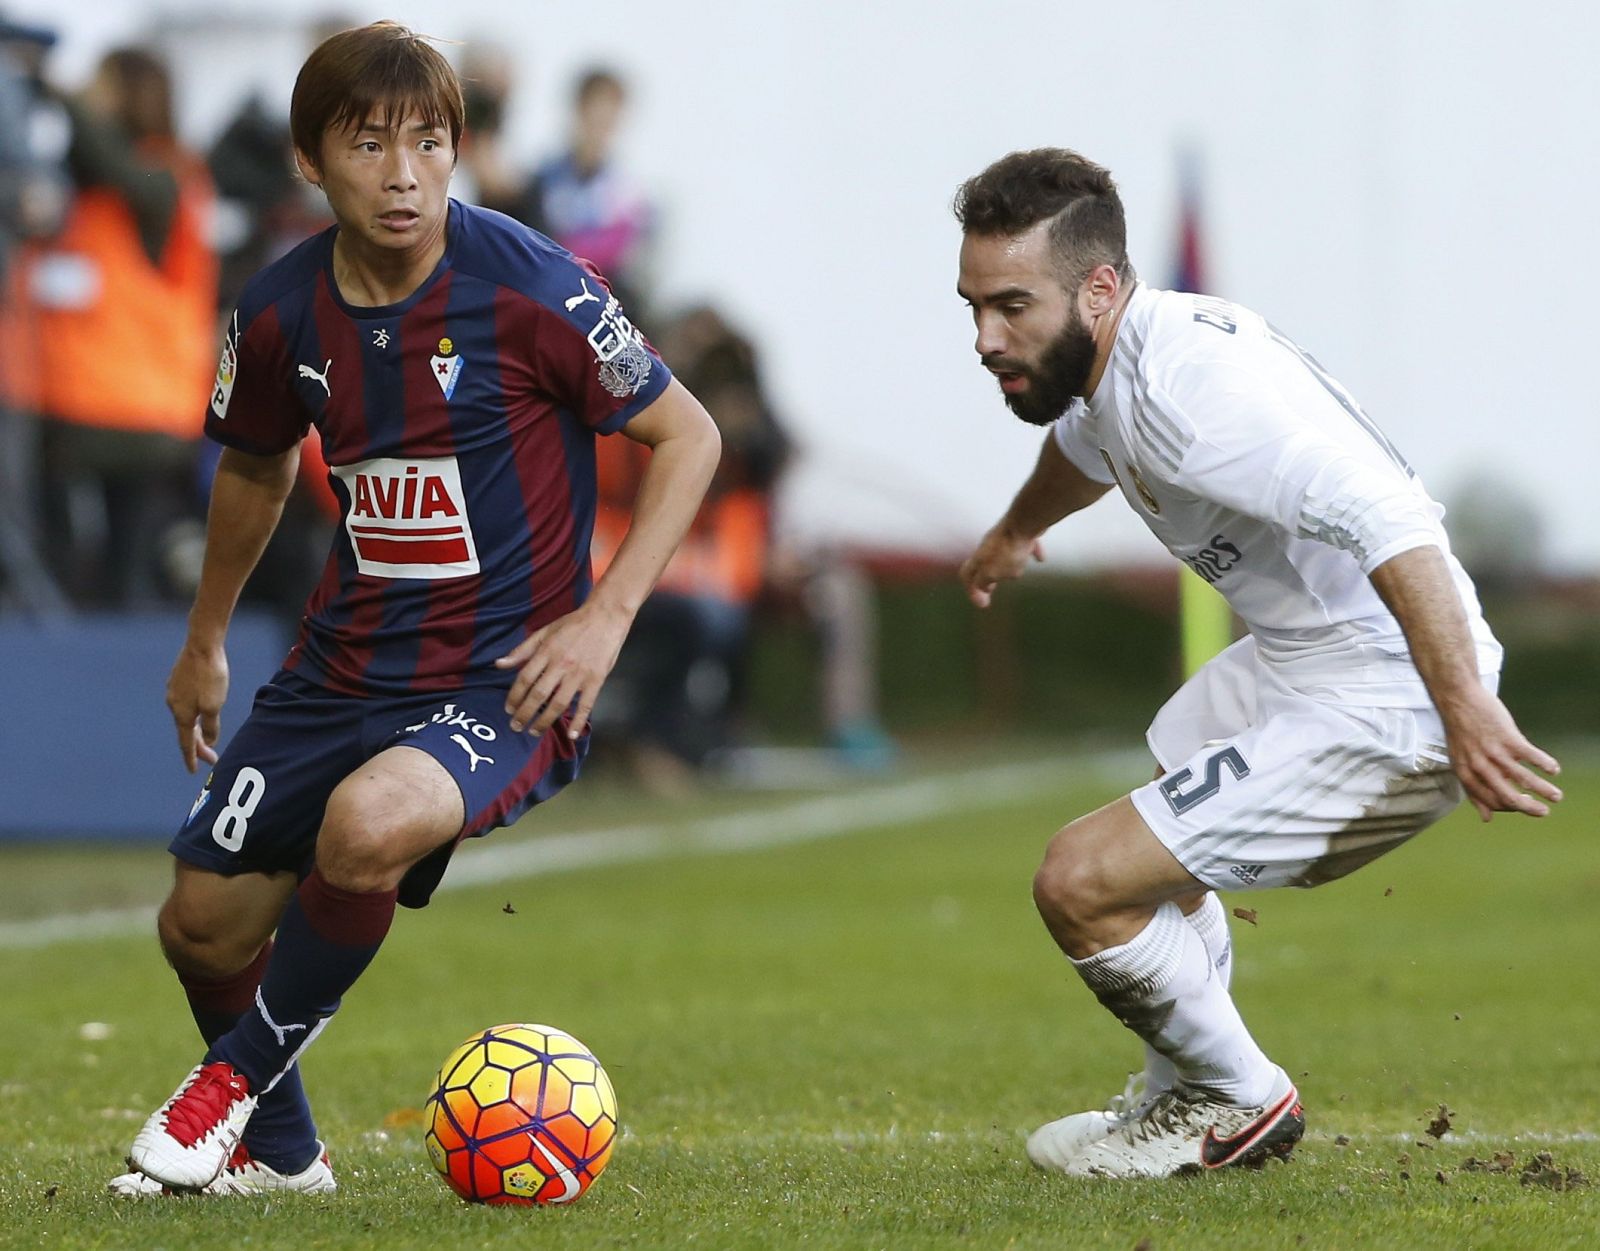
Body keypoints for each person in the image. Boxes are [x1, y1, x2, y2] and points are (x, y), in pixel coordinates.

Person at [112, 22, 719, 1196]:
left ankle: (224, 1092)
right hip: (340, 667)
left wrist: (603, 622)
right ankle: (285, 1162)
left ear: (458, 149)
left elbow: (688, 434)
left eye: (430, 143)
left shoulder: (532, 284)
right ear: (309, 161)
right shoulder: (277, 310)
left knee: (367, 825)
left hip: (506, 676)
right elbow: (254, 464)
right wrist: (202, 644)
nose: (404, 174)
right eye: (370, 145)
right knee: (198, 926)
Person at [953, 149, 1561, 1179]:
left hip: (1384, 693)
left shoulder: (1195, 399)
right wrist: (1014, 529)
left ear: (1098, 289)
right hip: (1304, 660)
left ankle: (1235, 1099)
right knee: (1151, 850)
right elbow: (1084, 443)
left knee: (1079, 881)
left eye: (1011, 306)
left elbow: (1391, 517)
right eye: (972, 306)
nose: (984, 338)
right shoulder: (1117, 362)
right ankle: (1182, 1097)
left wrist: (1458, 705)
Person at [23, 46, 216, 608]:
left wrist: (59, 93)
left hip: (135, 410)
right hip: (70, 401)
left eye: (101, 86)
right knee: (74, 571)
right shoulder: (80, 188)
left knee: (123, 575)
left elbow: (115, 162)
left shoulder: (165, 177)